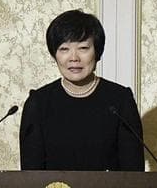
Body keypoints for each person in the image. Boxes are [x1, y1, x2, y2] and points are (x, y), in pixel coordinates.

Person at [18, 9, 145, 171]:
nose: (74, 58)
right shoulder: (38, 103)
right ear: (54, 54)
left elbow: (133, 175)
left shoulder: (120, 101)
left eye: (83, 48)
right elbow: (31, 176)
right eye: (64, 49)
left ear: (97, 51)